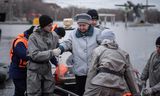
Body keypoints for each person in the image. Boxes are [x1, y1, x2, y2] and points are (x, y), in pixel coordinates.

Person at [54, 13, 101, 96]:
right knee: (80, 92)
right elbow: (68, 43)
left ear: (89, 24)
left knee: (94, 92)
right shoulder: (73, 34)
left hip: (94, 69)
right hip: (79, 70)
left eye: (84, 25)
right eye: (79, 25)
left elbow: (103, 45)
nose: (81, 27)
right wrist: (60, 49)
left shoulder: (97, 33)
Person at [83, 29, 140, 96]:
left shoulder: (97, 50)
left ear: (101, 39)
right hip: (118, 87)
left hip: (100, 83)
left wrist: (87, 90)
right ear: (113, 39)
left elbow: (92, 71)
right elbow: (130, 76)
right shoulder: (124, 53)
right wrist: (136, 93)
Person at [27, 15, 60, 96]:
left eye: (51, 24)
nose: (51, 27)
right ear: (43, 25)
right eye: (49, 25)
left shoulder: (54, 36)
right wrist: (52, 53)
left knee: (49, 92)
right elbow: (34, 55)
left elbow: (58, 47)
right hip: (34, 68)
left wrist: (61, 50)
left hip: (46, 68)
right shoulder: (33, 37)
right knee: (34, 93)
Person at [9, 25, 35, 96]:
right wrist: (38, 56)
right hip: (17, 71)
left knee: (24, 90)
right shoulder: (20, 42)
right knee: (20, 91)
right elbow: (24, 55)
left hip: (25, 70)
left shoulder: (29, 40)